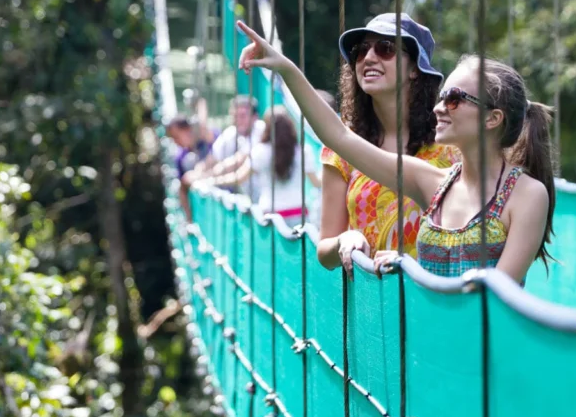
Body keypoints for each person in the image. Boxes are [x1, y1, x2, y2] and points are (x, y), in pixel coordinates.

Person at [236, 20, 556, 284]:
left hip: (481, 359)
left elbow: (493, 301)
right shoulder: (432, 181)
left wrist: (411, 272)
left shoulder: (527, 195)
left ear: (492, 118)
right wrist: (286, 69)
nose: (439, 108)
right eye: (442, 97)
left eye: (455, 99)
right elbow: (339, 138)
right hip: (416, 348)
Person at [316, 13, 459, 272]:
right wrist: (343, 239)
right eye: (361, 51)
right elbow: (324, 250)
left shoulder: (451, 144)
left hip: (433, 300)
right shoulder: (341, 150)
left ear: (415, 68)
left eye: (386, 49)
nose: (369, 57)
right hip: (372, 304)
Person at [199, 106, 321, 226]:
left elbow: (238, 177)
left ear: (267, 128)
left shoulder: (260, 151)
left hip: (271, 214)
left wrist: (213, 180)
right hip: (299, 212)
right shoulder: (304, 151)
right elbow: (316, 182)